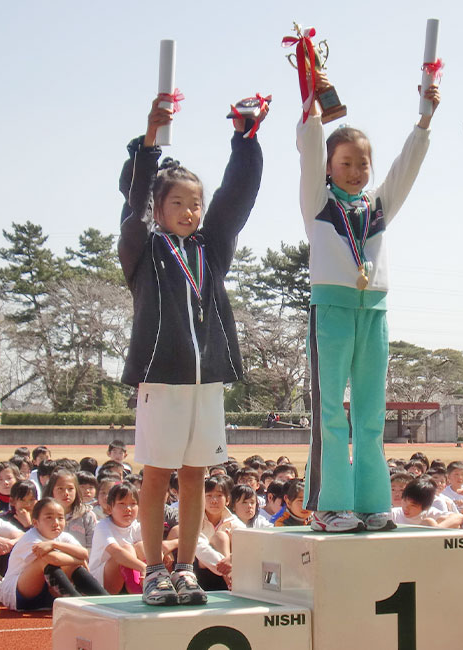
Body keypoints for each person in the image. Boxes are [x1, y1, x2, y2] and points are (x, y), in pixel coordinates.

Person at [117, 91, 267, 607]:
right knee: (157, 474)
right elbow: (132, 206)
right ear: (158, 208)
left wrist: (245, 139)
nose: (189, 210)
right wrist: (150, 143)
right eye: (177, 202)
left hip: (207, 380)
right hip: (162, 377)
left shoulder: (212, 247)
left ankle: (185, 568)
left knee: (196, 474)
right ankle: (155, 569)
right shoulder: (143, 248)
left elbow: (237, 196)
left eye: (194, 203)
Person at [298, 69, 439, 535]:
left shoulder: (378, 205)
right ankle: (329, 504)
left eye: (363, 164)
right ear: (328, 167)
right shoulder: (317, 201)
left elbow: (406, 169)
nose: (356, 172)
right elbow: (309, 149)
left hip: (374, 313)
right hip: (331, 313)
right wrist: (312, 109)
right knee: (331, 414)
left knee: (370, 412)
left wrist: (424, 122)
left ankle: (372, 501)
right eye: (346, 163)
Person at [0, 498, 107, 611]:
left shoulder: (64, 537)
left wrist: (54, 544)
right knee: (45, 561)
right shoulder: (31, 538)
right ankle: (76, 603)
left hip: (47, 593)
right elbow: (53, 559)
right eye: (49, 517)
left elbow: (84, 553)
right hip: (18, 595)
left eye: (60, 518)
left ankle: (105, 599)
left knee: (70, 564)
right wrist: (79, 561)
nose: (56, 523)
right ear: (35, 523)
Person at [89, 483, 147, 595]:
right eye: (122, 504)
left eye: (133, 504)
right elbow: (116, 552)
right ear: (110, 508)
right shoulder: (103, 526)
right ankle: (137, 592)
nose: (128, 509)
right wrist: (144, 567)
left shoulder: (137, 527)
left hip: (129, 577)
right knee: (126, 549)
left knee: (142, 546)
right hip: (101, 583)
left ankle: (151, 585)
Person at [42, 469, 97, 551]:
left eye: (70, 488)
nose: (66, 493)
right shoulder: (43, 515)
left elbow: (91, 547)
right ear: (52, 490)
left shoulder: (87, 516)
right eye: (60, 488)